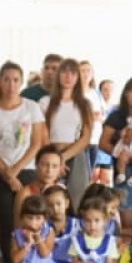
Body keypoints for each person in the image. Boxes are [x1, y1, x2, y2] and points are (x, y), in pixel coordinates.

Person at [0, 62, 49, 263]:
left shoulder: (32, 107)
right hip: (0, 173)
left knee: (29, 218)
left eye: (16, 79)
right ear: (0, 82)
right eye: (6, 79)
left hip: (26, 170)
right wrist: (6, 173)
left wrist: (16, 170)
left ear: (21, 82)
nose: (11, 84)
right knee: (7, 220)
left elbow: (37, 142)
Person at [46, 58, 96, 201]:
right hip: (51, 152)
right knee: (51, 196)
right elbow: (43, 134)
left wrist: (63, 157)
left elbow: (86, 137)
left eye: (73, 73)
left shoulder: (84, 104)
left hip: (75, 154)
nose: (68, 77)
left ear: (78, 77)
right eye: (64, 72)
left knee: (77, 198)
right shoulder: (46, 102)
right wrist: (55, 158)